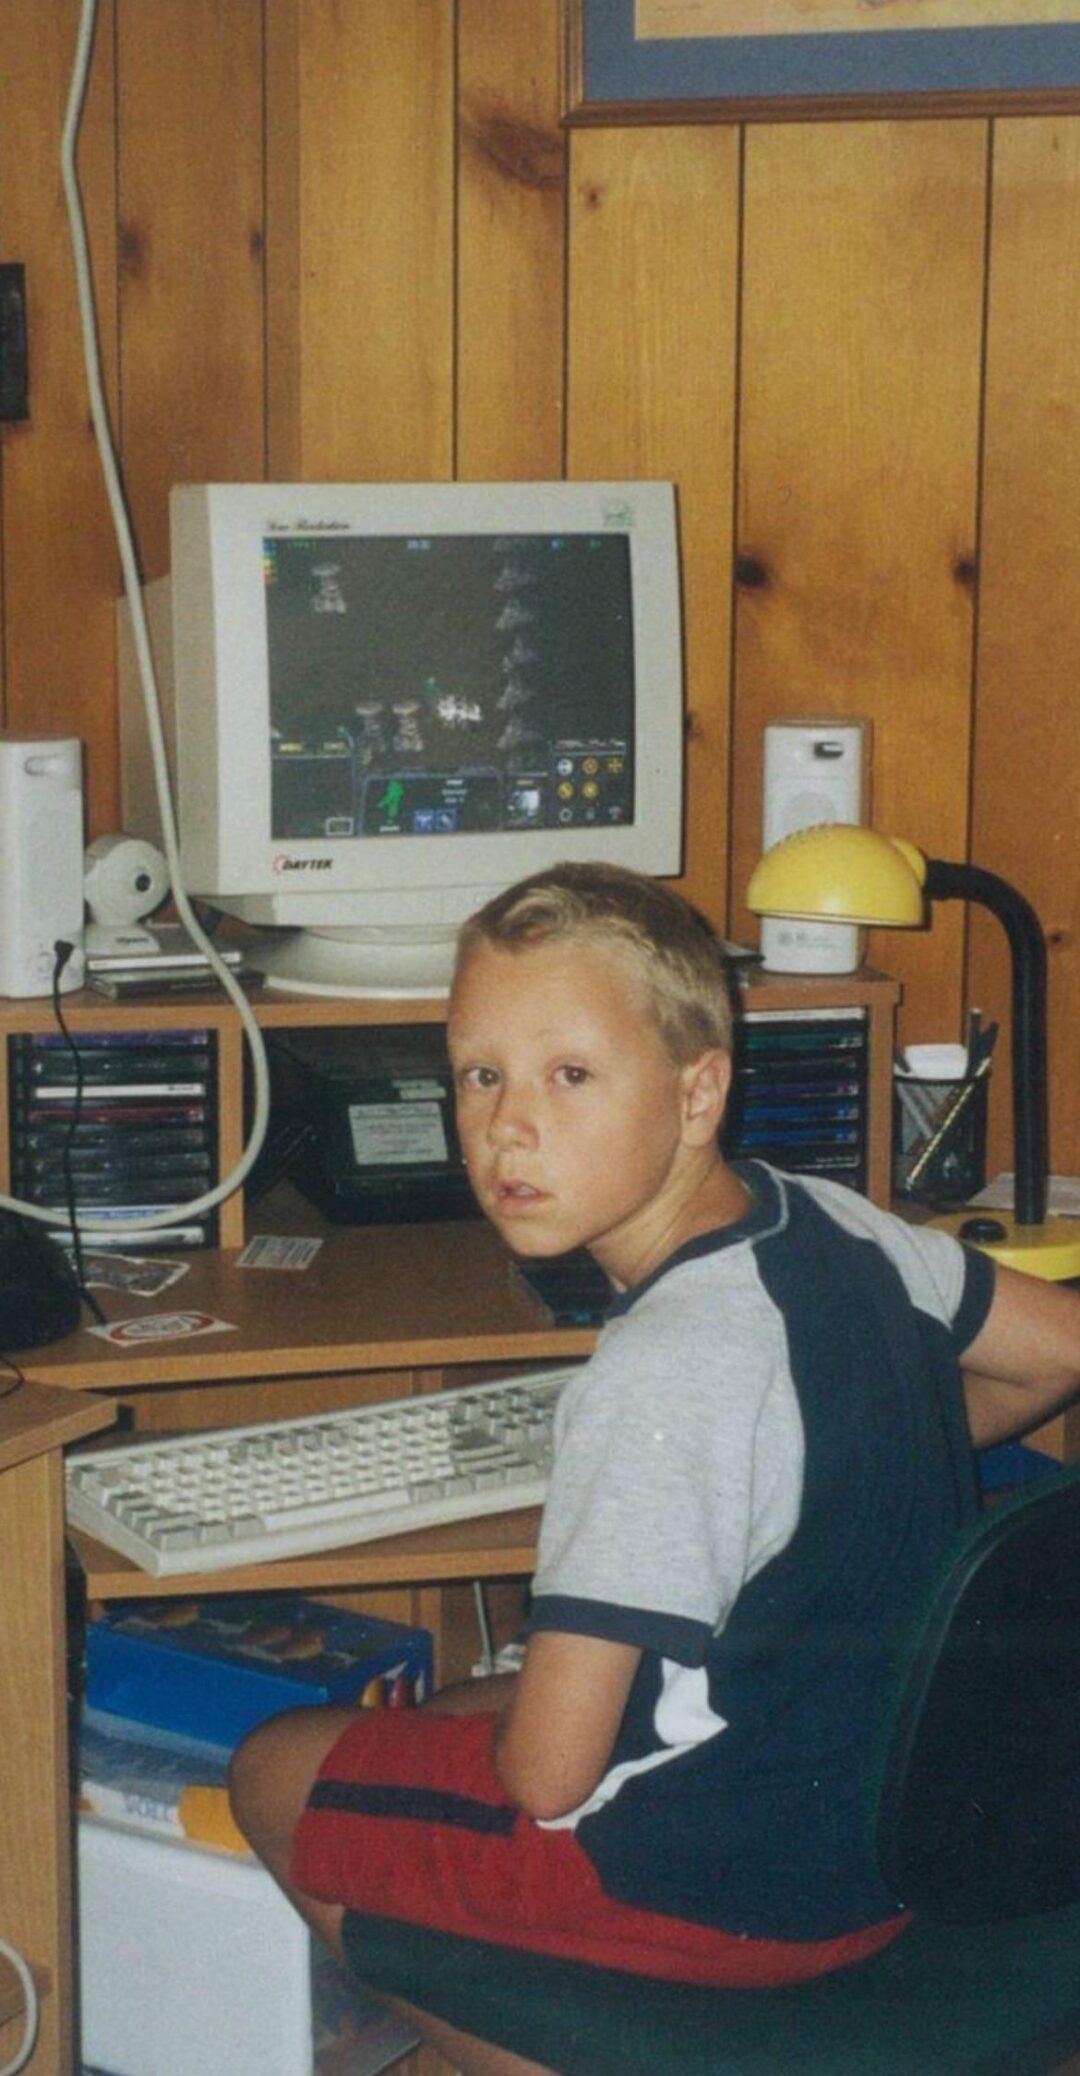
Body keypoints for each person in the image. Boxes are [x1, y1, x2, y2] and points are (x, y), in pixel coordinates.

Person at [230, 862, 1080, 2076]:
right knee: (477, 1693)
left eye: (570, 1075)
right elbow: (1057, 1353)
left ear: (697, 1094)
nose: (506, 1127)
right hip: (890, 1837)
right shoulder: (830, 1219)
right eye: (481, 1074)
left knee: (275, 1765)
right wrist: (821, 1463)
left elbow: (549, 1775)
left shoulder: (656, 1375)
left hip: (708, 1889)